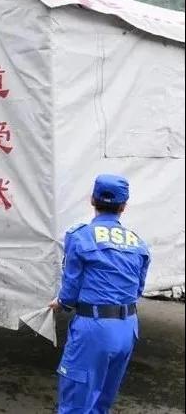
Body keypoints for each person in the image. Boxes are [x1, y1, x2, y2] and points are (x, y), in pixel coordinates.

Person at [49, 174, 150, 414]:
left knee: (76, 403)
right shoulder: (138, 243)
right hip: (127, 328)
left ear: (92, 200)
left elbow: (70, 289)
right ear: (123, 206)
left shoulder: (79, 236)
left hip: (94, 329)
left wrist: (61, 302)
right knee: (102, 402)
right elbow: (137, 289)